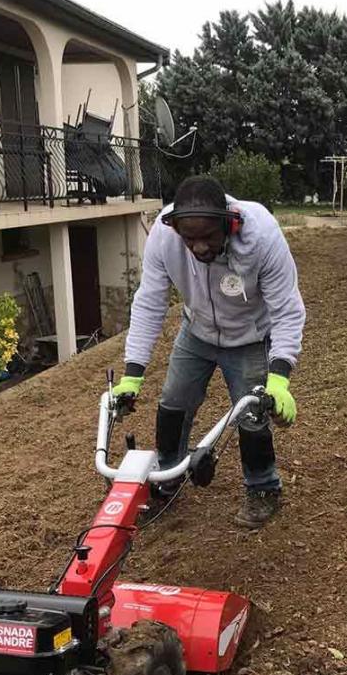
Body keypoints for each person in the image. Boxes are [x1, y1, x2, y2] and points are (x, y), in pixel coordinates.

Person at [111, 175, 305, 529]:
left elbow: (287, 309)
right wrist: (131, 375)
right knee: (173, 402)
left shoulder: (261, 233)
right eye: (190, 239)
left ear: (229, 223)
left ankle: (263, 488)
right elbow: (149, 303)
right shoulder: (163, 237)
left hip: (249, 335)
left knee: (251, 413)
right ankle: (167, 478)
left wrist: (279, 379)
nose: (199, 247)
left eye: (208, 237)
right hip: (196, 331)